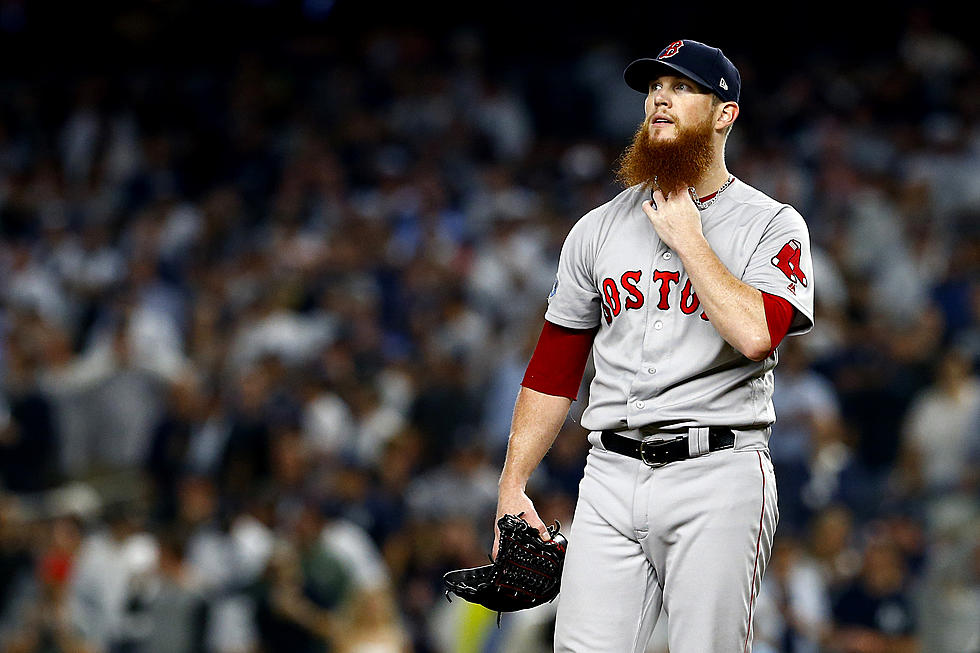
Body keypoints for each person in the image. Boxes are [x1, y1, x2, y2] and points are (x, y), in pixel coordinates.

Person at [492, 39, 814, 652]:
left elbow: (756, 334)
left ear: (725, 114)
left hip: (716, 472)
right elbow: (554, 369)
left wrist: (691, 240)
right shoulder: (598, 228)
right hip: (608, 472)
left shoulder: (770, 223)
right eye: (653, 87)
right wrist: (513, 485)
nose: (661, 98)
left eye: (683, 87)